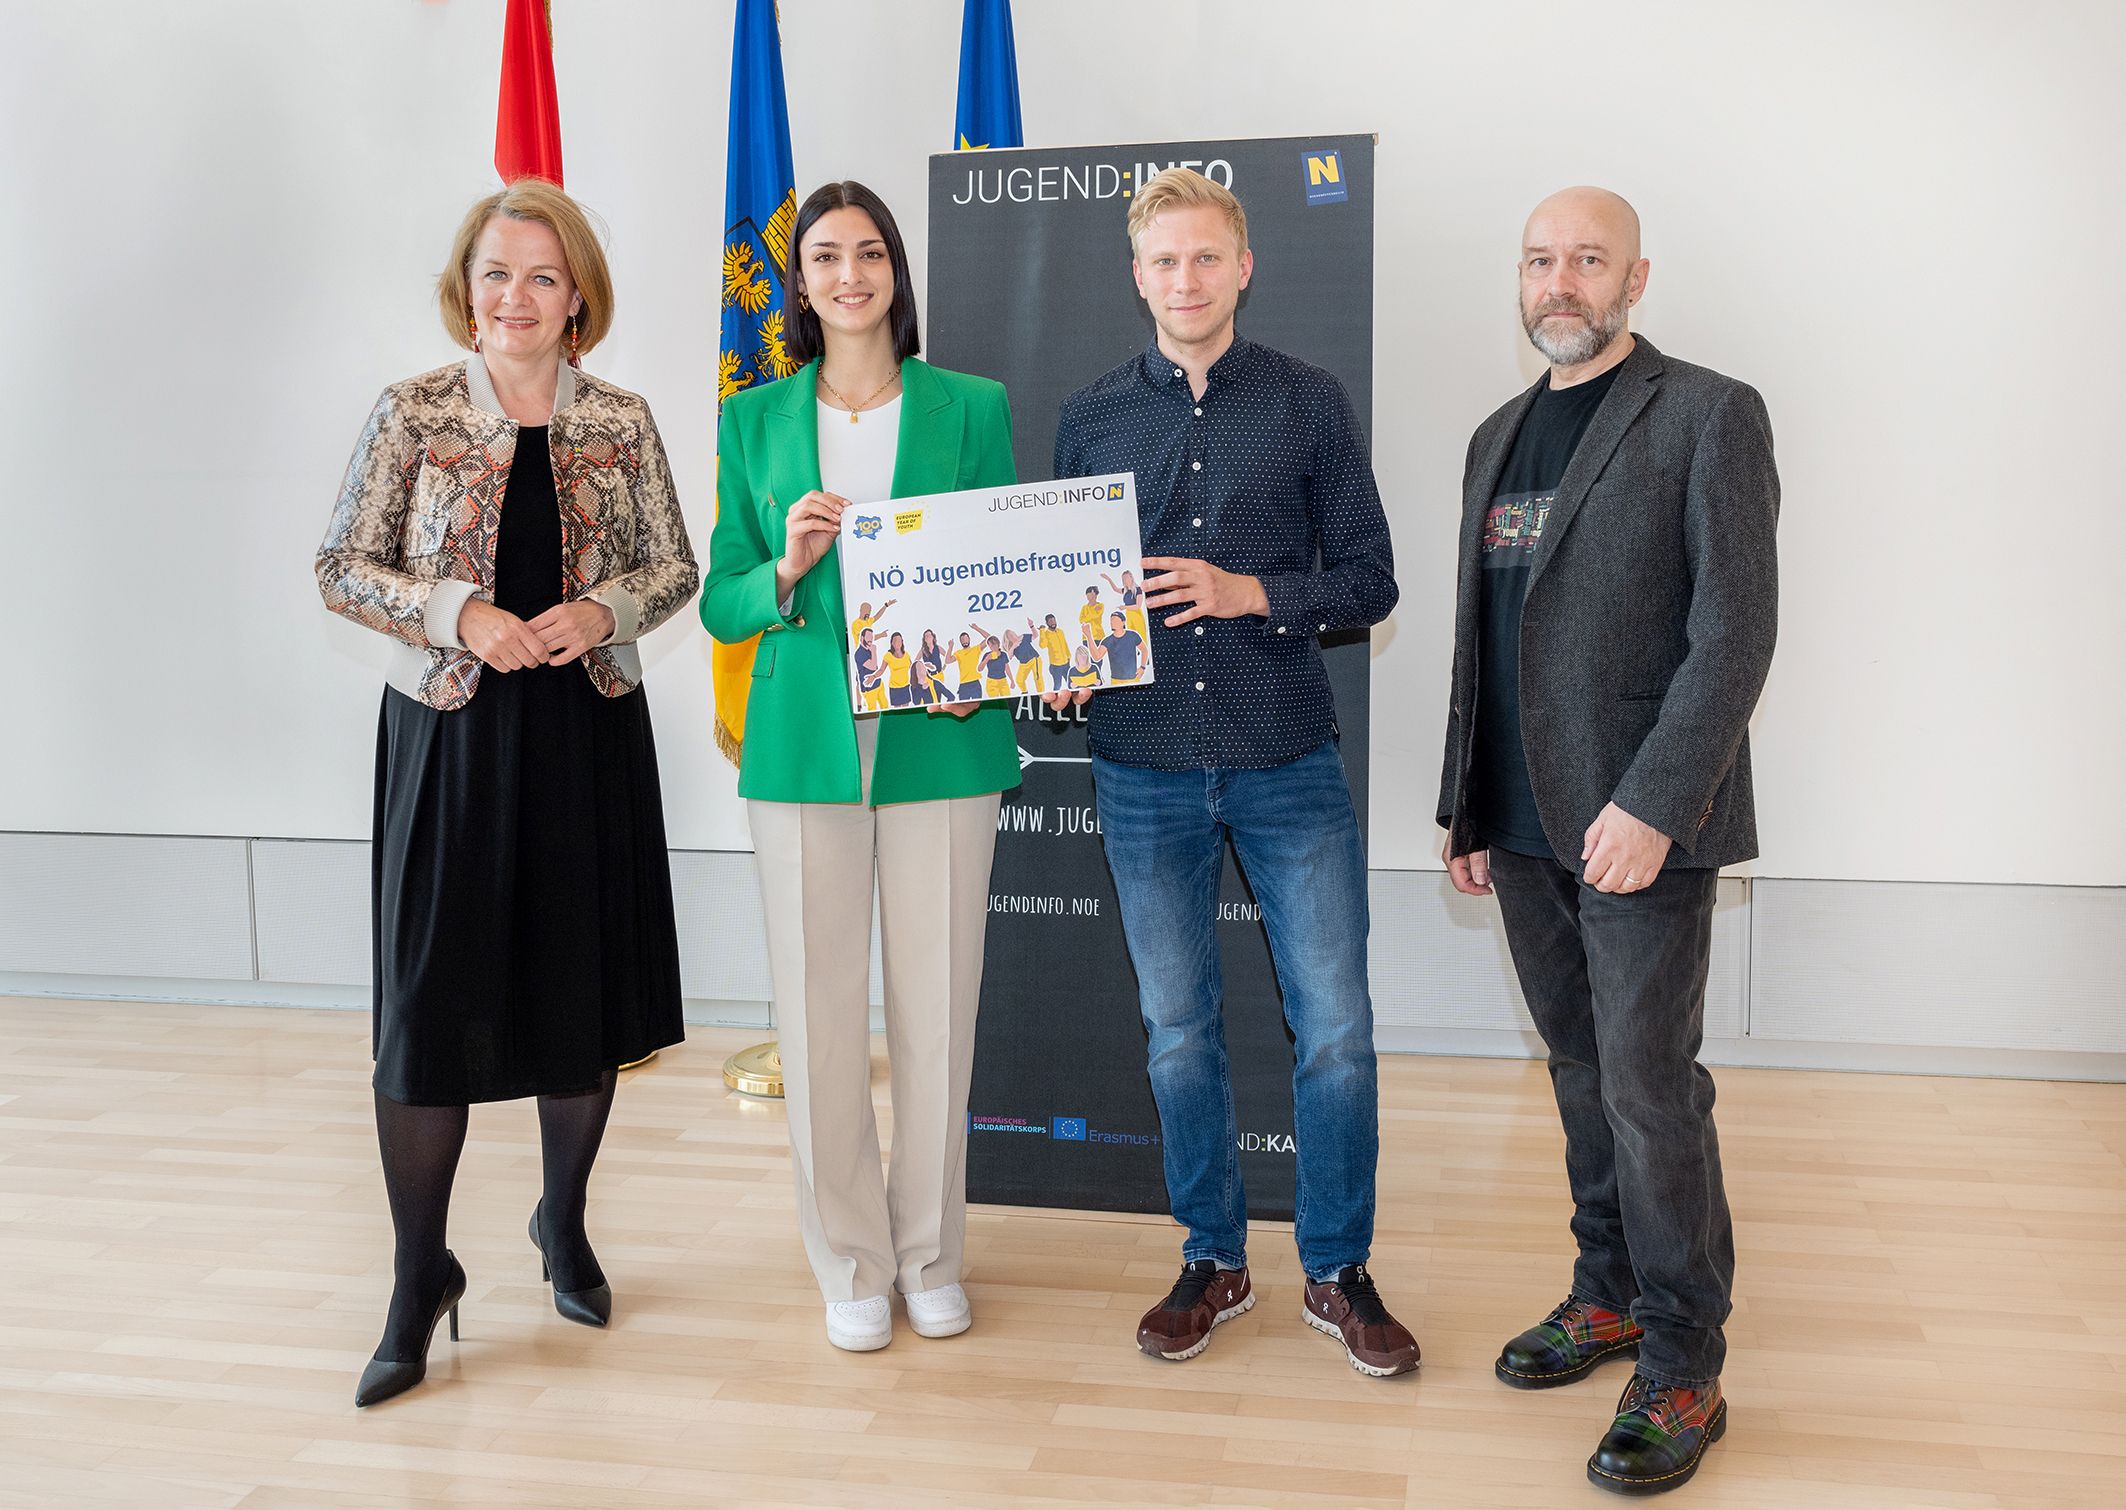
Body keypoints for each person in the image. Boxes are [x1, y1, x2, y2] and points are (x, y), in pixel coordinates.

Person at [315, 178, 696, 1407]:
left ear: (575, 292)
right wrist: (459, 614)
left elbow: (673, 564)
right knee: (426, 1012)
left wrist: (602, 609)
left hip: (585, 731)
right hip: (450, 738)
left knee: (574, 998)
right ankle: (417, 1274)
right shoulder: (413, 411)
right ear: (464, 289)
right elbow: (340, 563)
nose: (515, 297)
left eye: (541, 276)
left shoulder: (622, 421)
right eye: (495, 274)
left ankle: (562, 1223)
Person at [1437, 187, 1778, 1495]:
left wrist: (1654, 801)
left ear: (1636, 275)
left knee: (1647, 1085)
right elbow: (1484, 630)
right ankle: (1609, 1293)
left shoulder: (1705, 413)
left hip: (1639, 821)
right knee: (1581, 1073)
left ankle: (1685, 1360)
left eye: (1587, 258)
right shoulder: (1492, 435)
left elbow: (1732, 631)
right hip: (1519, 828)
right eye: (1538, 259)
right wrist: (1463, 801)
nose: (1560, 280)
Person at [1049, 169, 1411, 1377]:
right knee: (1174, 1034)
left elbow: (1369, 580)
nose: (1185, 281)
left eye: (1207, 259)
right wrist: (1059, 668)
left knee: (1337, 1030)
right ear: (1136, 274)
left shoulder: (1308, 403)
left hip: (1283, 756)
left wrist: (1250, 591)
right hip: (1141, 761)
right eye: (1164, 262)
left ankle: (1338, 1269)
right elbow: (1064, 603)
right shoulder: (1092, 417)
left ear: (1243, 267)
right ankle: (1213, 1255)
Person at [701, 180, 1020, 1353]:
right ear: (799, 283)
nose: (849, 274)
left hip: (940, 733)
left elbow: (1003, 567)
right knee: (818, 1013)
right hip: (800, 743)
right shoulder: (752, 421)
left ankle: (929, 1252)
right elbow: (723, 601)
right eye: (824, 255)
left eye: (869, 252)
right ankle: (848, 1260)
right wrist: (783, 566)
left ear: (896, 271)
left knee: (938, 1009)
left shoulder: (970, 404)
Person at [1102, 568, 1152, 667]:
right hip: (1129, 615)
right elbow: (1116, 589)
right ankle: (1135, 654)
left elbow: (1138, 605)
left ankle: (1145, 658)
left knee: (1141, 635)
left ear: (1131, 578)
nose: (1125, 580)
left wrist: (1124, 607)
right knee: (1131, 636)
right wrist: (1108, 579)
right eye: (1123, 578)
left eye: (1127, 578)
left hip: (1136, 614)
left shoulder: (1137, 589)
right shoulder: (1126, 590)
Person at [1092, 610, 1147, 684]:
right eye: (1111, 620)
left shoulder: (1133, 635)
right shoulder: (1107, 640)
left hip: (1133, 680)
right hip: (1115, 681)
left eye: (1115, 620)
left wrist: (1142, 668)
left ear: (1123, 622)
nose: (1112, 622)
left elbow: (1144, 650)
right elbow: (1097, 657)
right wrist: (1089, 636)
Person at [1032, 612, 1071, 689]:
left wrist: (1069, 656)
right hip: (1056, 666)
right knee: (1057, 686)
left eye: (1053, 620)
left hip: (1066, 664)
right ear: (1047, 623)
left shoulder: (1060, 631)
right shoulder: (1046, 633)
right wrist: (1042, 631)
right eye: (1050, 621)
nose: (1052, 622)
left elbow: (1065, 644)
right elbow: (1042, 645)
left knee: (1071, 683)